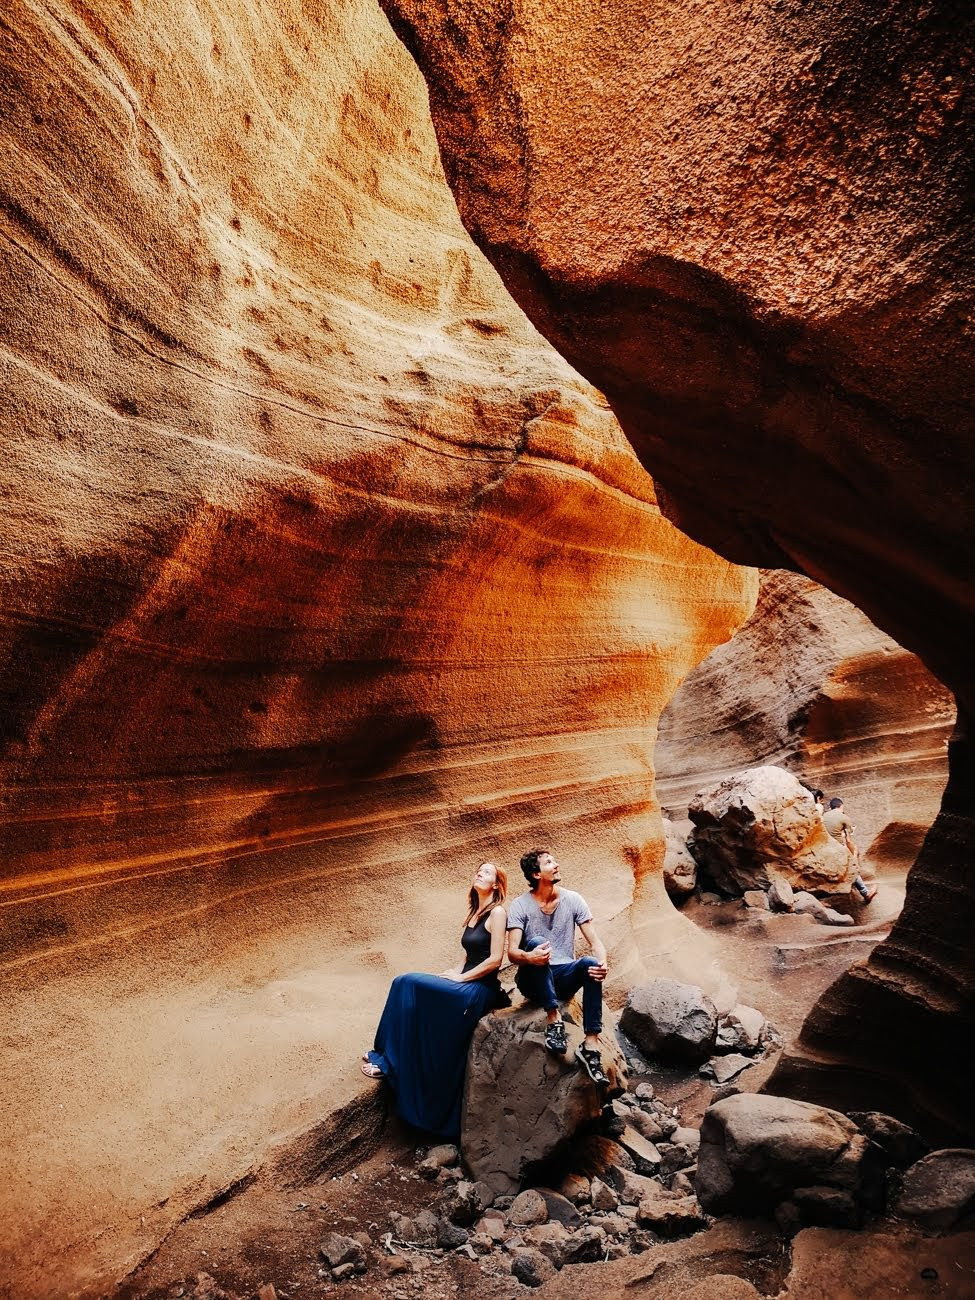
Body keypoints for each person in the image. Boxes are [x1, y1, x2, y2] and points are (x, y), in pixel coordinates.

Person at [360, 861, 508, 1137]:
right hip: (465, 981)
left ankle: (386, 1061)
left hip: (478, 990)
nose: (479, 872)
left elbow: (496, 959)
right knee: (411, 993)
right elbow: (468, 954)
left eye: (486, 872)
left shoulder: (497, 912)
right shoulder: (475, 910)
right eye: (478, 869)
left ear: (497, 884)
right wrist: (452, 972)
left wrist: (462, 979)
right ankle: (385, 1055)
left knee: (405, 983)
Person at [506, 848, 609, 1086]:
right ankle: (554, 1019)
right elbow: (512, 952)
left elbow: (595, 942)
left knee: (591, 964)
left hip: (562, 977)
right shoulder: (520, 905)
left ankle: (591, 1045)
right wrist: (531, 957)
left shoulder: (573, 899)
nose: (556, 864)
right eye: (549, 862)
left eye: (554, 860)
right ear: (535, 874)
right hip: (532, 980)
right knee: (537, 943)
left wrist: (603, 963)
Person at [822, 797, 877, 904]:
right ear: (841, 806)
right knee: (852, 868)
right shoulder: (844, 817)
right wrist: (854, 852)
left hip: (825, 847)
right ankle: (866, 894)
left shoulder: (824, 816)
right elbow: (848, 839)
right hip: (838, 848)